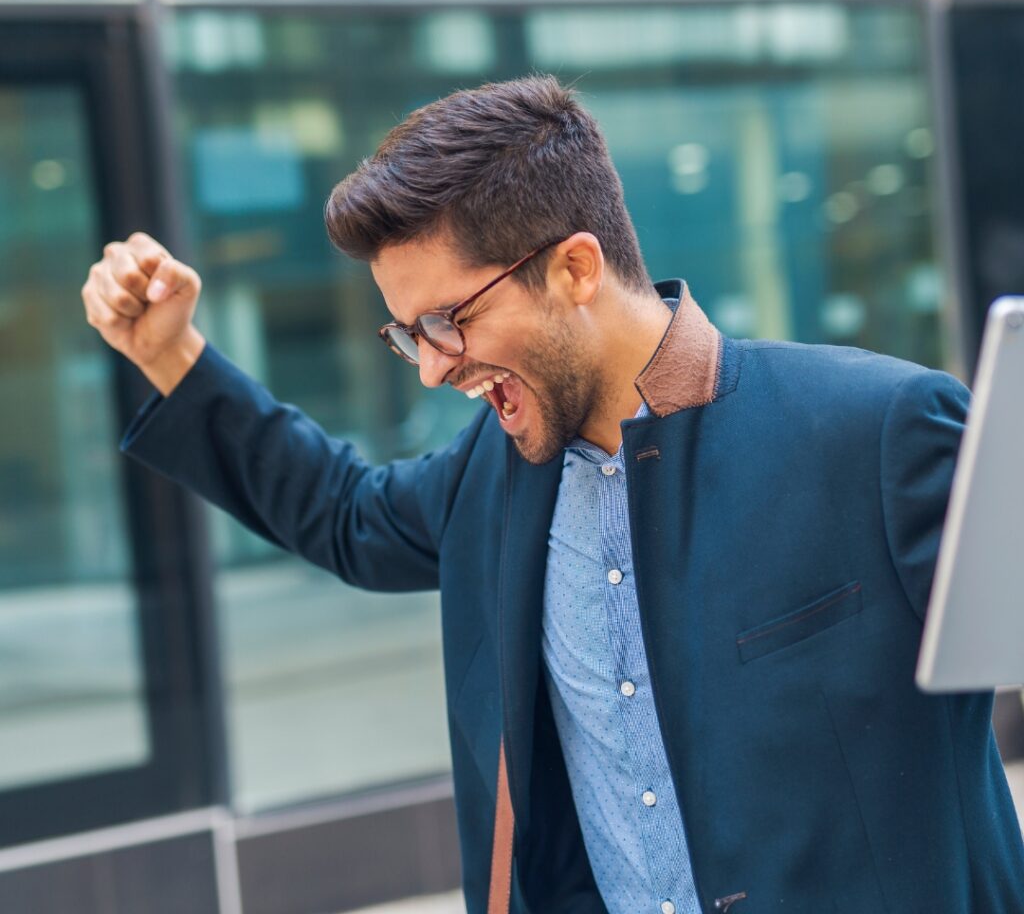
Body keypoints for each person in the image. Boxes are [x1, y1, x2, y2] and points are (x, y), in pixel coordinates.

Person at [81, 76, 1024, 913]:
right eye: (409, 335)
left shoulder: (877, 429)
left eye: (448, 322)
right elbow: (343, 511)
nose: (432, 369)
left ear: (574, 268)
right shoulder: (489, 478)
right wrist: (170, 356)